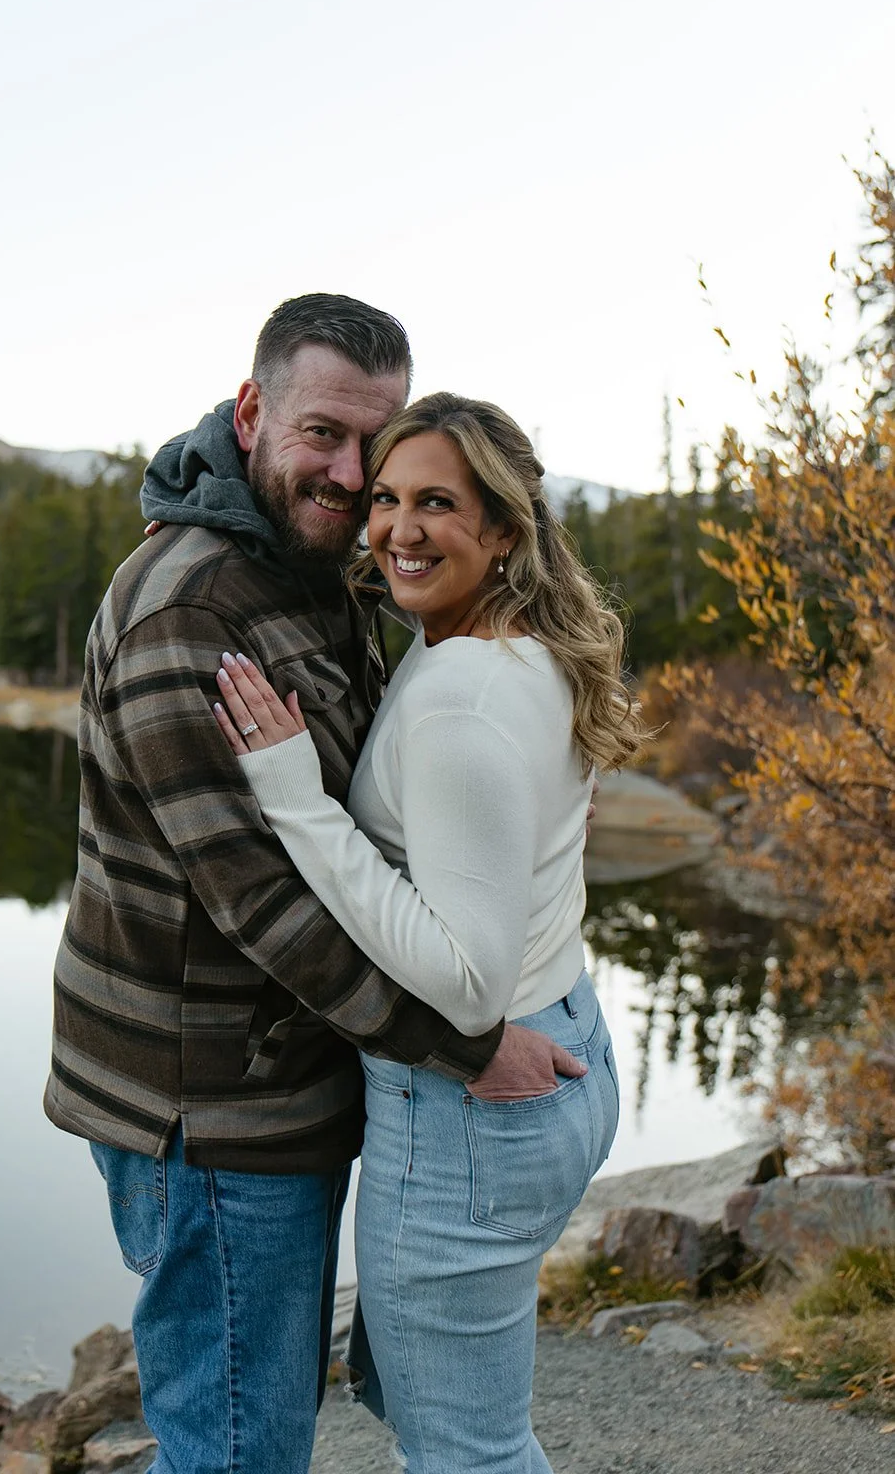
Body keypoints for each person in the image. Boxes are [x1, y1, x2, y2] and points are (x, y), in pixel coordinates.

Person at [44, 298, 589, 1474]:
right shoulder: (190, 610)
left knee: (273, 1422)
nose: (351, 480)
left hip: (296, 1077)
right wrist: (458, 1044)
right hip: (210, 1110)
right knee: (239, 1442)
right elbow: (260, 903)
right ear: (251, 413)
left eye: (376, 449)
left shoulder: (309, 568)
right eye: (323, 436)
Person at [212, 391, 646, 1473]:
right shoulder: (516, 648)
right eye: (388, 499)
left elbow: (462, 982)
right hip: (561, 1049)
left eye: (438, 504)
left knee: (463, 1451)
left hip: (468, 1114)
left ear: (502, 529)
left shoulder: (459, 695)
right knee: (462, 1431)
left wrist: (295, 797)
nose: (398, 528)